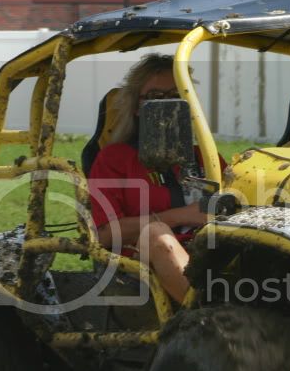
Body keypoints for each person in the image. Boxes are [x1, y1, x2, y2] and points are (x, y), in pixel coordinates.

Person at [89, 54, 222, 304]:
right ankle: (210, 317)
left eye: (175, 95)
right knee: (156, 233)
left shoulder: (206, 157)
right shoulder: (114, 159)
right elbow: (105, 234)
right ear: (138, 107)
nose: (167, 105)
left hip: (208, 252)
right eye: (155, 97)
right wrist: (182, 215)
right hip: (138, 266)